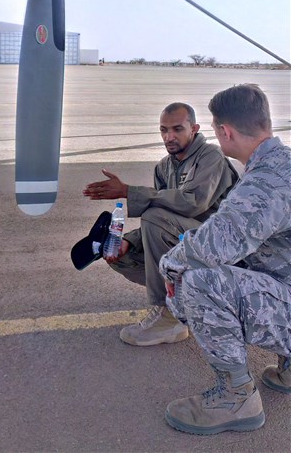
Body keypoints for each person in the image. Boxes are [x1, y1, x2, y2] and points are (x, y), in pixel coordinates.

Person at [160, 84, 290, 435]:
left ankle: (236, 398)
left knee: (199, 280)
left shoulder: (267, 183)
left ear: (224, 131)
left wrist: (169, 267)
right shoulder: (283, 163)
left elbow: (212, 247)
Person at [83, 102, 238, 346]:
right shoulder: (164, 166)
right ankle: (183, 299)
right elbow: (165, 215)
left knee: (153, 217)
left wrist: (127, 191)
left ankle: (168, 318)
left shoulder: (211, 156)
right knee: (120, 251)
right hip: (189, 240)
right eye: (164, 130)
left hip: (221, 245)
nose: (169, 136)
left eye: (177, 129)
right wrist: (127, 241)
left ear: (194, 129)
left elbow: (192, 203)